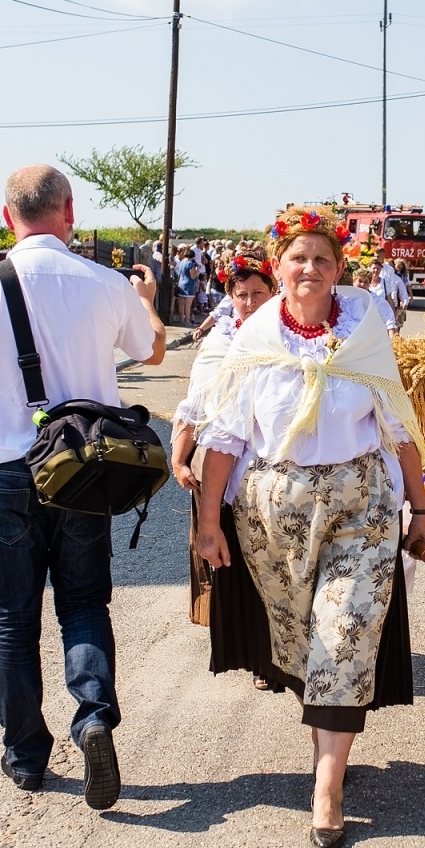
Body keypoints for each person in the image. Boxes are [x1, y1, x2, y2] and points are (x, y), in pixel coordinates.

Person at [0, 165, 168, 809]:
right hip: (83, 469)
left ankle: (26, 755)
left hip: (4, 470)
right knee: (83, 603)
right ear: (69, 211)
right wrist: (145, 300)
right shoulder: (106, 284)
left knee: (11, 618)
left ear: (8, 219)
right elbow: (155, 353)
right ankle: (93, 717)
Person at [194, 206, 425, 848]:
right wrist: (207, 521)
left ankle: (327, 786)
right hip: (274, 518)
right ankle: (329, 739)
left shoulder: (363, 332)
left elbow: (397, 422)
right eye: (298, 258)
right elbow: (224, 437)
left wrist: (422, 507)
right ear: (278, 268)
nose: (309, 269)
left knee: (347, 634)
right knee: (306, 643)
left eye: (321, 259)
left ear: (337, 270)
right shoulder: (255, 339)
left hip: (362, 507)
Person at [172, 260, 278, 682]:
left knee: (277, 563)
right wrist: (179, 458)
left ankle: (283, 653)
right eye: (242, 295)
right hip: (226, 466)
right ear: (230, 298)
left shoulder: (289, 335)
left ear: (273, 291)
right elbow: (197, 402)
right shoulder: (220, 340)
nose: (250, 303)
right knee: (240, 563)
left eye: (258, 293)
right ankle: (257, 655)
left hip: (275, 467)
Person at [352, 265, 400, 334]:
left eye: (366, 282)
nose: (362, 284)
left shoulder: (377, 301)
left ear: (369, 284)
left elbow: (390, 323)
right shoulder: (347, 299)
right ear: (353, 282)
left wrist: (393, 341)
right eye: (360, 281)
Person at [173, 244, 199, 326]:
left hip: (181, 283)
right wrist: (197, 270)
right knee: (188, 305)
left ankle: (182, 321)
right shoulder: (190, 263)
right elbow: (192, 276)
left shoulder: (181, 262)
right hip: (189, 284)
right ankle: (187, 321)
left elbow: (177, 272)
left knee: (181, 303)